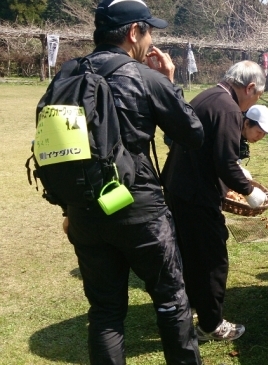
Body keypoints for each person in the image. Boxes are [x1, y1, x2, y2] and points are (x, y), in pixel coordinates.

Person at [63, 0, 204, 363]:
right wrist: (170, 82)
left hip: (85, 209)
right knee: (172, 302)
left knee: (106, 312)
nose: (150, 39)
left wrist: (69, 207)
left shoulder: (69, 74)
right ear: (132, 32)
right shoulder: (145, 77)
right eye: (149, 30)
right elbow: (192, 133)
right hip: (139, 209)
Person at [162, 61, 268, 342]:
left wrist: (237, 172)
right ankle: (211, 325)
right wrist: (248, 190)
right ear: (250, 87)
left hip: (179, 187)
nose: (254, 101)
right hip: (196, 195)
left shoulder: (207, 95)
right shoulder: (228, 107)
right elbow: (225, 161)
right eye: (257, 95)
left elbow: (212, 151)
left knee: (190, 254)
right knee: (213, 259)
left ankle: (189, 308)